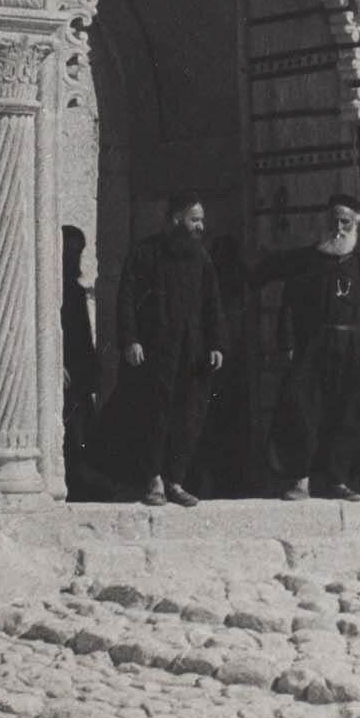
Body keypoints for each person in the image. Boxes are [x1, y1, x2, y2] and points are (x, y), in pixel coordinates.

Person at [92, 193, 226, 507]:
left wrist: (217, 343)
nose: (201, 227)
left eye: (202, 221)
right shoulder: (144, 253)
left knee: (188, 416)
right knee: (153, 416)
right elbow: (126, 300)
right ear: (177, 219)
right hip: (154, 353)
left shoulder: (201, 258)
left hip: (191, 354)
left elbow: (213, 305)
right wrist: (130, 340)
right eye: (195, 220)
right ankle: (152, 480)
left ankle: (175, 480)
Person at [251, 193, 360, 501]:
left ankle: (338, 479)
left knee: (345, 413)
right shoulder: (308, 260)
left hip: (351, 348)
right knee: (301, 409)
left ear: (356, 224)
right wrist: (285, 343)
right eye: (334, 221)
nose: (338, 228)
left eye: (345, 222)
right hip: (312, 346)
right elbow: (287, 305)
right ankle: (300, 480)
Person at [190, 234, 251, 498]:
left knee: (217, 428)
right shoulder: (211, 291)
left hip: (227, 367)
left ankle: (222, 483)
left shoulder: (231, 291)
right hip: (214, 366)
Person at [58, 226, 109, 501]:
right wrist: (56, 362)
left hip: (78, 369)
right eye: (70, 251)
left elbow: (83, 334)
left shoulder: (75, 291)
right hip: (61, 369)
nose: (75, 257)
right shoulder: (54, 292)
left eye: (78, 252)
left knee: (81, 427)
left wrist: (92, 368)